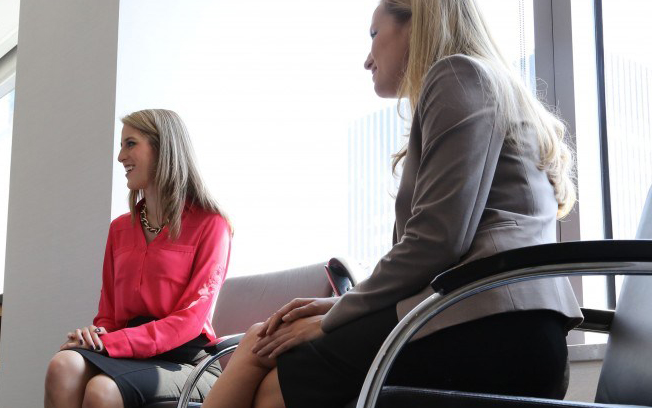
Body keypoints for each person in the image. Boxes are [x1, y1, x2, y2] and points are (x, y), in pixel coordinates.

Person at [201, 1, 583, 407]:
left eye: (373, 35)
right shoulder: (484, 83)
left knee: (270, 377)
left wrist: (335, 316)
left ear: (417, 24)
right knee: (267, 350)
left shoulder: (457, 73)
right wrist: (339, 305)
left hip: (489, 326)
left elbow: (435, 243)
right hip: (501, 321)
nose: (367, 59)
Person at [44, 109, 233, 408]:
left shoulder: (212, 225)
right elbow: (109, 315)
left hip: (186, 362)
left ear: (163, 149)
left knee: (102, 391)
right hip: (129, 353)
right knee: (62, 365)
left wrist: (113, 343)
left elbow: (189, 322)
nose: (120, 156)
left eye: (130, 144)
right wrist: (97, 334)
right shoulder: (120, 228)